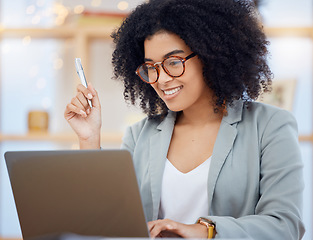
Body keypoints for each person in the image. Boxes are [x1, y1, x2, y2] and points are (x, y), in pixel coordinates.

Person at [64, 0, 305, 239]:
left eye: (173, 62)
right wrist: (89, 139)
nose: (161, 79)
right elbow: (107, 221)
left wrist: (205, 230)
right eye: (151, 67)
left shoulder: (270, 126)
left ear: (211, 54)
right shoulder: (140, 136)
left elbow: (285, 225)